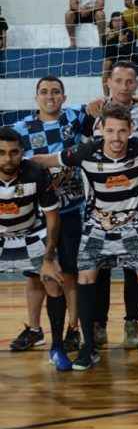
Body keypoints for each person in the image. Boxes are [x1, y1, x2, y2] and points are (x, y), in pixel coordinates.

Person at [33, 103, 138, 370]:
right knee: (86, 278)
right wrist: (18, 163)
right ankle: (88, 348)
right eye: (111, 131)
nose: (116, 137)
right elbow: (49, 160)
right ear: (101, 130)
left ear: (131, 131)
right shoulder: (86, 152)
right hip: (97, 227)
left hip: (136, 226)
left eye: (122, 131)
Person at [84, 61, 138, 350]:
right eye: (119, 81)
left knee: (135, 268)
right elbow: (81, 146)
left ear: (136, 85)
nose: (124, 86)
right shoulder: (92, 111)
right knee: (99, 268)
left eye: (130, 82)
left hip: (133, 200)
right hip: (99, 201)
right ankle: (98, 323)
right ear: (109, 82)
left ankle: (132, 321)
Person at [9, 77, 86, 355]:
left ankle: (73, 329)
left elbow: (106, 107)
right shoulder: (21, 128)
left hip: (71, 209)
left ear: (64, 97)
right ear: (36, 97)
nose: (50, 96)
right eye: (44, 92)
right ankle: (34, 328)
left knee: (69, 273)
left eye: (55, 92)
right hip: (35, 215)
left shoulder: (75, 117)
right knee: (35, 275)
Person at [0, 127, 69, 370]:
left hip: (30, 234)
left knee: (52, 279)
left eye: (14, 152)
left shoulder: (36, 172)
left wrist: (49, 257)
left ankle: (57, 347)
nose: (8, 158)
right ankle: (36, 331)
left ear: (22, 152)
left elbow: (52, 216)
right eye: (1, 153)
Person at [101, 12, 137, 96]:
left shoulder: (130, 33)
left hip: (127, 58)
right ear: (111, 23)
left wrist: (124, 42)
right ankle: (106, 96)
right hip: (113, 59)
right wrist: (109, 40)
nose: (117, 23)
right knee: (106, 63)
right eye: (115, 21)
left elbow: (130, 51)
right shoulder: (107, 35)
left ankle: (133, 96)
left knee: (128, 63)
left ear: (123, 21)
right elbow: (108, 53)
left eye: (119, 20)